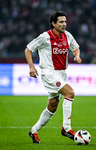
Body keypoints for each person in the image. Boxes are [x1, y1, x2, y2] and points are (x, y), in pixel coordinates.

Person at [25, 11, 82, 144]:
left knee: (52, 106)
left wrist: (77, 55)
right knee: (70, 92)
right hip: (49, 72)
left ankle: (34, 130)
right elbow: (28, 49)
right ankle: (66, 128)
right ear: (53, 23)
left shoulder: (67, 35)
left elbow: (76, 47)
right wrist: (31, 67)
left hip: (62, 73)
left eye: (65, 22)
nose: (64, 24)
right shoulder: (45, 37)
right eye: (61, 22)